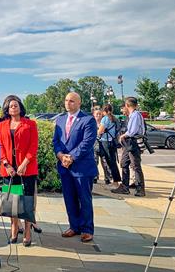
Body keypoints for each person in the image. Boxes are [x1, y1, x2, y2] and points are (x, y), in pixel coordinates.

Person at [53, 92, 98, 243]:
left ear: (79, 103)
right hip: (65, 166)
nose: (68, 103)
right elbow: (56, 141)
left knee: (84, 198)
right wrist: (60, 155)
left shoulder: (88, 120)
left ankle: (86, 229)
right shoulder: (60, 120)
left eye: (71, 101)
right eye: (66, 100)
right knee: (69, 198)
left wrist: (71, 157)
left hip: (82, 167)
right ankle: (74, 226)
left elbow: (87, 142)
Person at [0, 95, 39, 247]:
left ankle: (27, 230)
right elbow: (0, 146)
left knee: (27, 201)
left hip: (26, 169)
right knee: (13, 201)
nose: (13, 107)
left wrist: (24, 163)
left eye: (16, 105)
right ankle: (14, 228)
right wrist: (7, 164)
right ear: (7, 109)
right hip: (9, 170)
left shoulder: (30, 124)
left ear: (21, 107)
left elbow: (34, 146)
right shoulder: (2, 125)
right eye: (10, 106)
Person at [112, 97, 146, 197]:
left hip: (133, 143)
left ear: (127, 105)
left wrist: (123, 135)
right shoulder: (132, 115)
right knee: (124, 163)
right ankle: (124, 187)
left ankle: (140, 189)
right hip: (128, 144)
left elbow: (133, 131)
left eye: (124, 106)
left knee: (136, 166)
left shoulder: (135, 115)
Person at [97, 104, 121, 187]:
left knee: (110, 162)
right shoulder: (114, 118)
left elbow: (100, 131)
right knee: (113, 162)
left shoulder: (105, 119)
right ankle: (116, 180)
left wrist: (96, 132)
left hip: (105, 142)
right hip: (112, 142)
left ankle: (115, 182)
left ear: (104, 111)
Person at [92, 107, 112, 184]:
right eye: (96, 114)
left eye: (100, 114)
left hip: (104, 144)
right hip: (94, 145)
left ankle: (107, 178)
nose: (98, 115)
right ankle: (95, 177)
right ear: (93, 115)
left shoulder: (104, 123)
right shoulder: (91, 123)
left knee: (105, 162)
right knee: (94, 161)